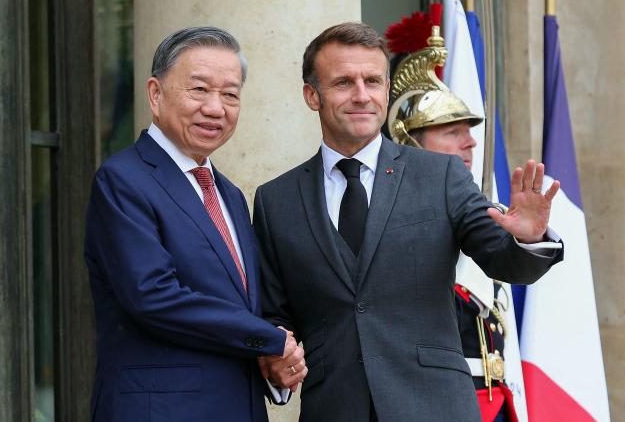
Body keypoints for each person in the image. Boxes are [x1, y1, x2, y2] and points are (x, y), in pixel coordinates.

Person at [253, 22, 563, 422]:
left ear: (386, 90)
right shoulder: (275, 199)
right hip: (333, 408)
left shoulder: (441, 175)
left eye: (373, 81)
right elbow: (275, 315)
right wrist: (276, 356)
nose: (362, 95)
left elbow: (502, 259)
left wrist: (528, 239)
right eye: (344, 82)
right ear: (312, 95)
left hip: (435, 406)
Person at [84, 26, 305, 422]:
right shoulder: (123, 180)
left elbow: (242, 308)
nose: (216, 108)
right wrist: (269, 340)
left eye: (230, 94)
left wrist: (275, 360)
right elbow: (154, 296)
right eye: (199, 90)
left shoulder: (230, 195)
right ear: (156, 94)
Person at [386, 27, 526, 421]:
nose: (471, 143)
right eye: (452, 132)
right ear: (409, 141)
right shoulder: (388, 219)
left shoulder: (483, 215)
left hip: (493, 402)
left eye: (469, 131)